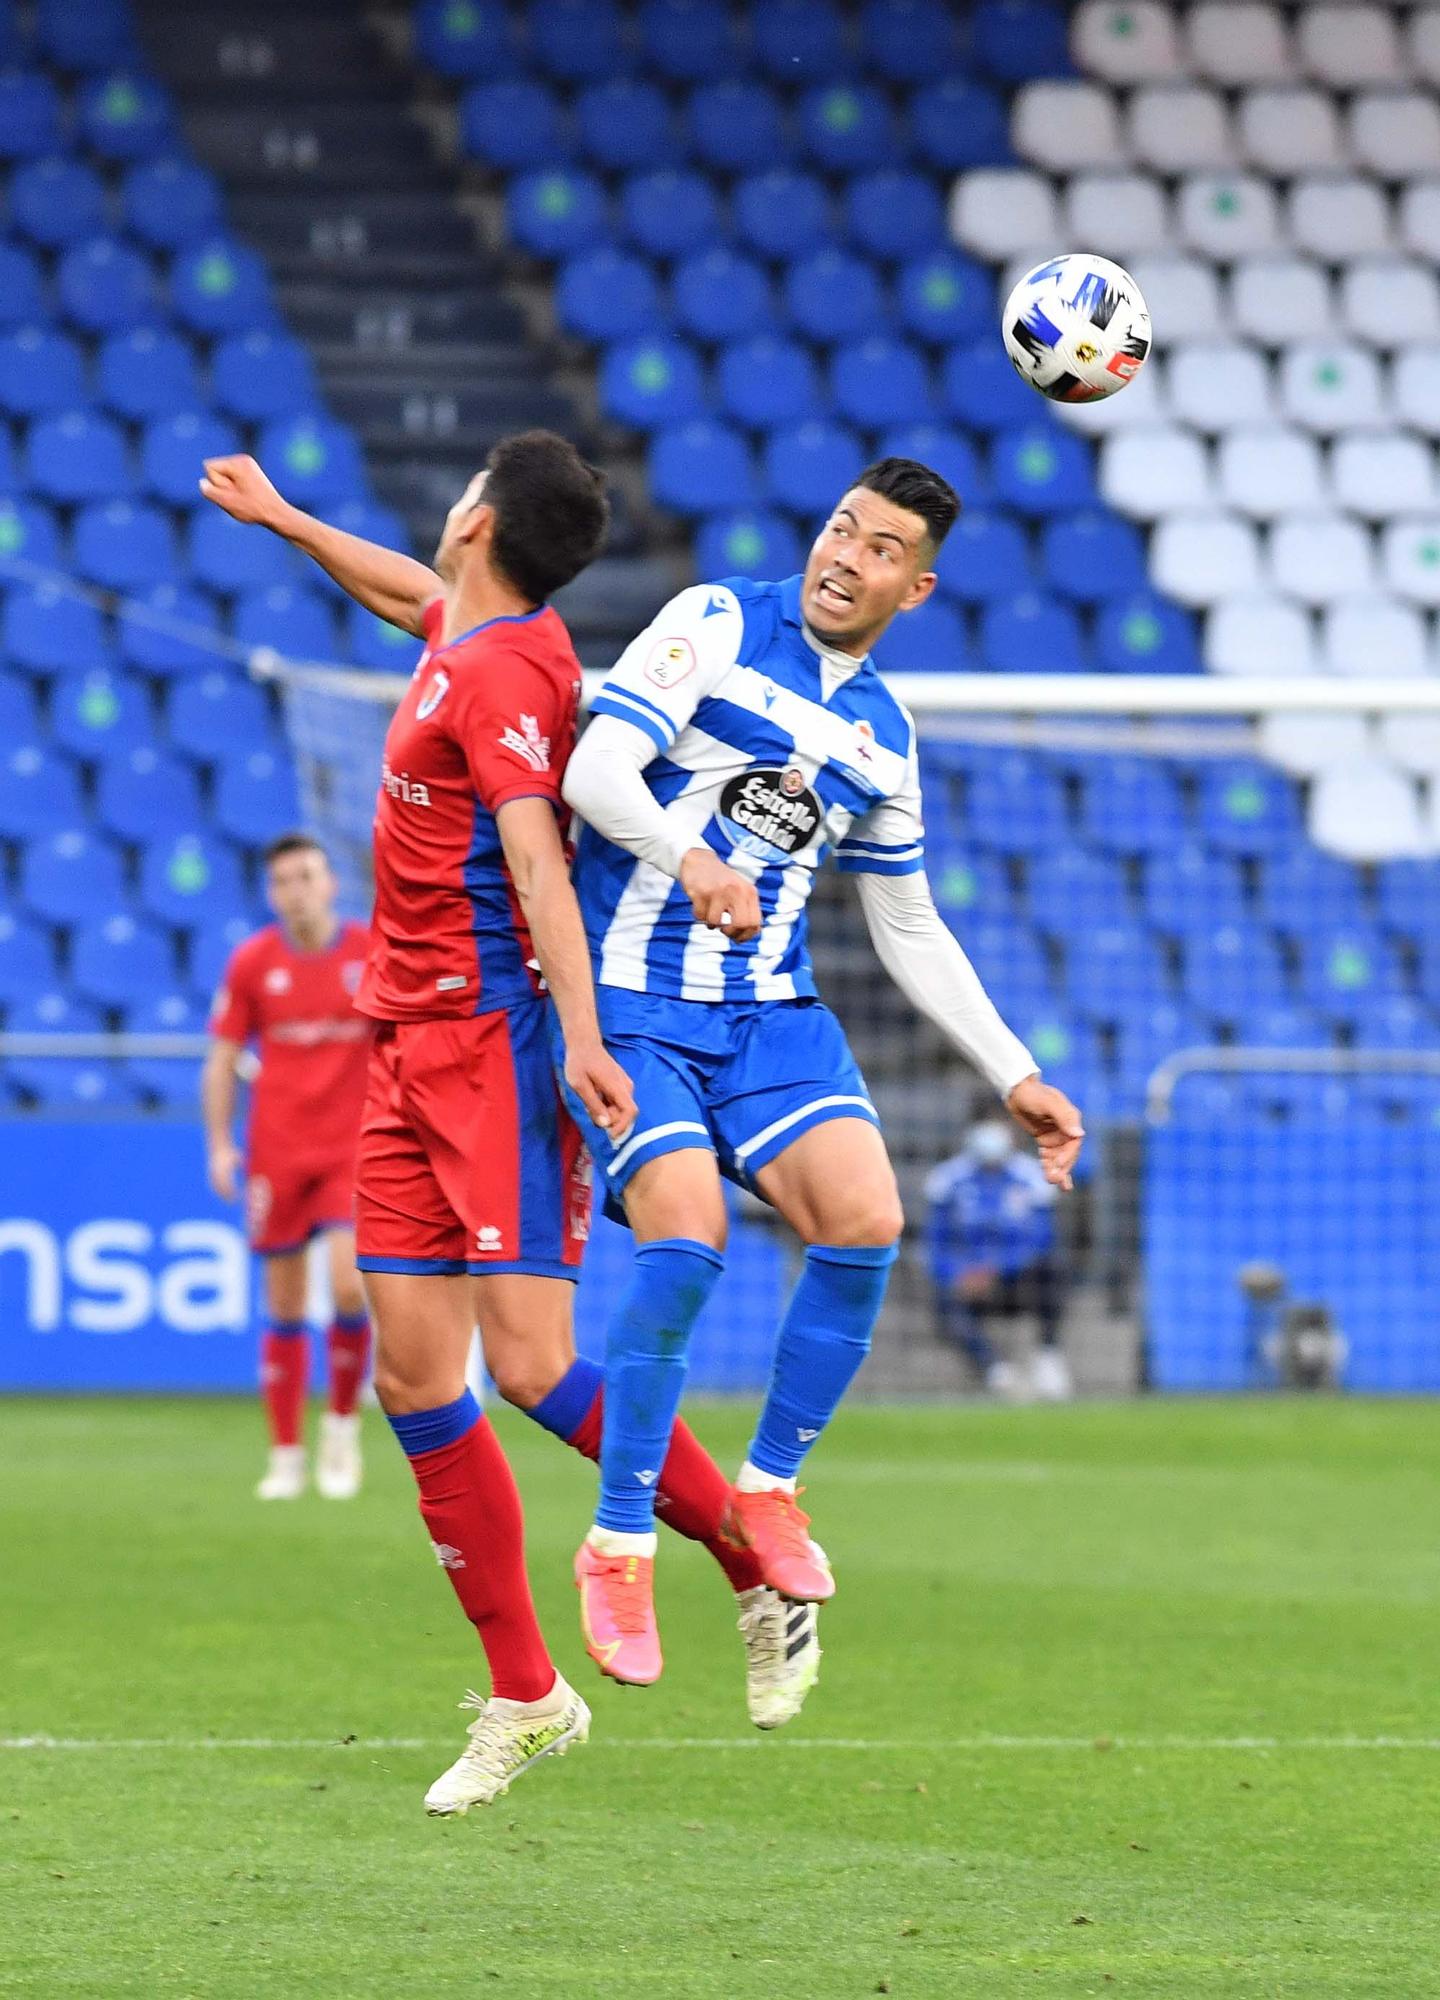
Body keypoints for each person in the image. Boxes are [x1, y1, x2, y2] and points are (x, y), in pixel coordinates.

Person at [198, 431, 820, 1819]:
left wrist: (586, 1045)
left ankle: (752, 1557)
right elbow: (396, 596)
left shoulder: (501, 677)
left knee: (531, 1367)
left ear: (474, 519)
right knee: (416, 1381)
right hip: (400, 1049)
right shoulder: (476, 626)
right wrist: (289, 521)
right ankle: (531, 1697)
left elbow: (538, 860)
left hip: (491, 1048)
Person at [560, 456, 1086, 1686]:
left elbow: (906, 921)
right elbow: (591, 772)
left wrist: (1015, 1071)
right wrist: (693, 856)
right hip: (632, 1001)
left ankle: (771, 1486)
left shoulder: (886, 738)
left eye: (881, 547)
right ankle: (620, 1540)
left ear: (917, 585)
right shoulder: (716, 622)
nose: (846, 555)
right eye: (841, 528)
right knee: (686, 1237)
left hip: (768, 1015)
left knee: (867, 1217)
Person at [202, 834, 372, 1502]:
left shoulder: (368, 953)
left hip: (350, 1151)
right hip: (277, 1151)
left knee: (351, 1286)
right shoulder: (253, 963)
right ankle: (285, 1453)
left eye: (306, 876)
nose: (295, 891)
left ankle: (340, 1426)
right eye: (282, 882)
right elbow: (221, 1058)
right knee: (284, 1304)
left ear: (331, 883)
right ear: (271, 894)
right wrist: (219, 1143)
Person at [924, 1119, 1071, 1402]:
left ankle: (1048, 1355)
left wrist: (998, 1269)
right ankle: (996, 1371)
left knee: (1053, 1268)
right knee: (943, 1300)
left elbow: (1042, 1238)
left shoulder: (1031, 1177)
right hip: (968, 1282)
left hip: (1016, 1280)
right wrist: (957, 1273)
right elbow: (935, 1243)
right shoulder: (947, 1180)